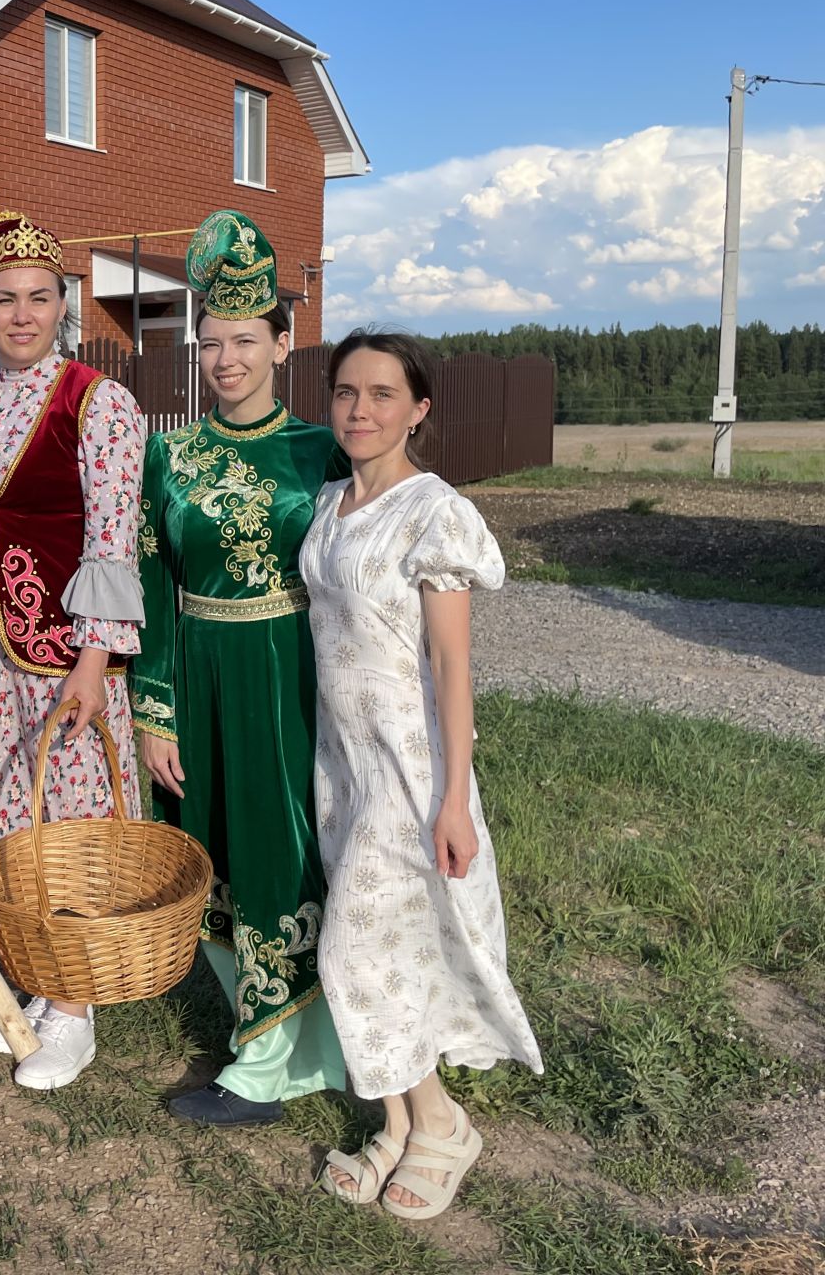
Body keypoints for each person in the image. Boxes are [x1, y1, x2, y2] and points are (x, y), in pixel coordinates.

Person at [299, 330, 543, 1218]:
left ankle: (441, 1123)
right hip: (344, 761)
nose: (361, 410)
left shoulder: (434, 512)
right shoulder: (330, 504)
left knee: (354, 948)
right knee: (389, 948)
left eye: (383, 395)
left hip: (408, 768)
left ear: (419, 409)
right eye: (346, 393)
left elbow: (451, 665)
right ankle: (399, 1125)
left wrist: (452, 797)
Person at [131, 209, 351, 1128]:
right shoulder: (169, 454)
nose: (227, 360)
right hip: (204, 672)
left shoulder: (325, 450)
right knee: (213, 848)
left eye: (245, 341)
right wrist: (154, 709)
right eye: (211, 343)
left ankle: (293, 1060)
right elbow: (150, 585)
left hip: (295, 681)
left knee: (291, 853)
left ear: (282, 341)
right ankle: (265, 1045)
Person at [0, 209, 145, 1092]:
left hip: (62, 662)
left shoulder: (99, 402)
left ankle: (76, 1007)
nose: (22, 314)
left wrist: (94, 664)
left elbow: (112, 539)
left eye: (40, 297)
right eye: (3, 298)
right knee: (4, 817)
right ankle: (34, 977)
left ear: (66, 305)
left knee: (67, 823)